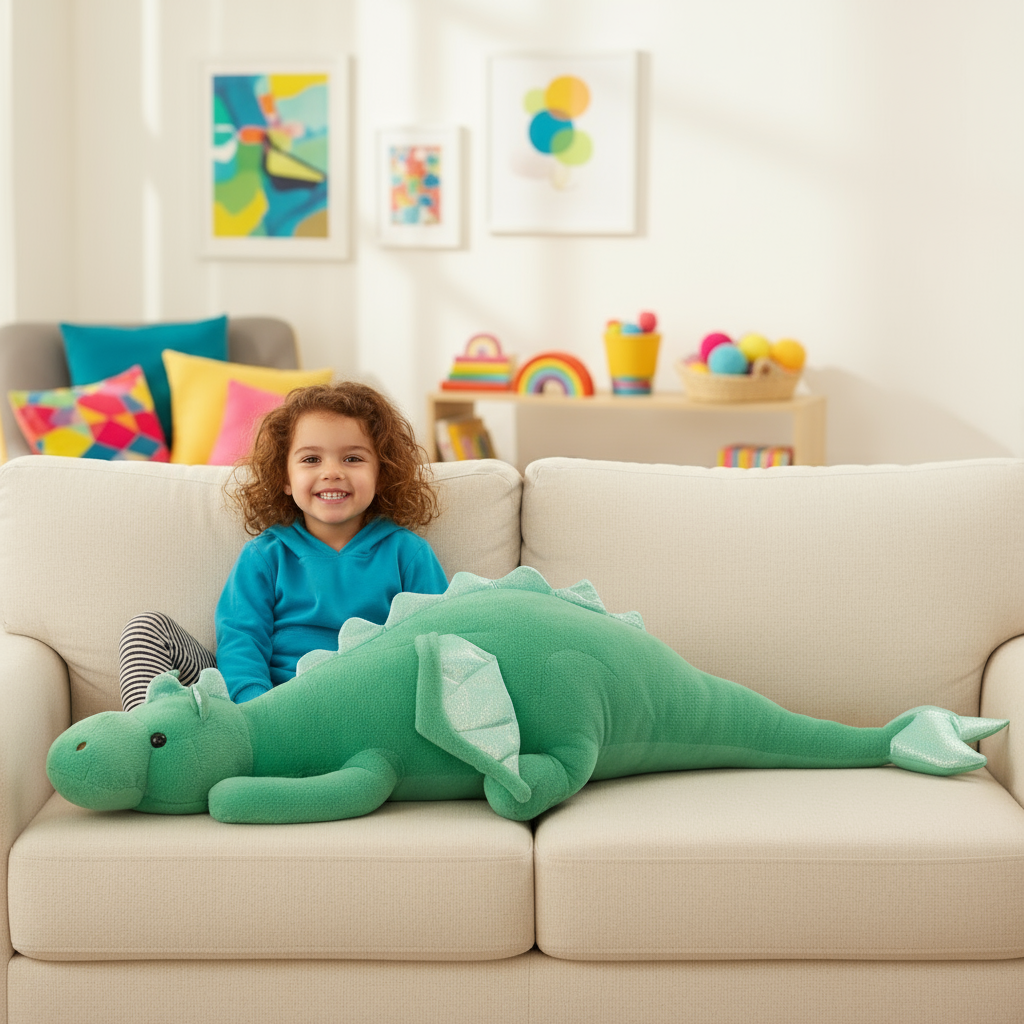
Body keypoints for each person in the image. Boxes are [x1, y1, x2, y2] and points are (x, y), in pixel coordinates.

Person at [118, 381, 448, 711]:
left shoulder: (408, 554)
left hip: (363, 711)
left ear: (381, 473)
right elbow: (241, 640)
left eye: (352, 458)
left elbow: (440, 641)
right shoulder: (266, 555)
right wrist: (255, 710)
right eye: (311, 459)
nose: (331, 472)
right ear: (285, 479)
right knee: (147, 631)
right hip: (263, 710)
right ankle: (148, 743)